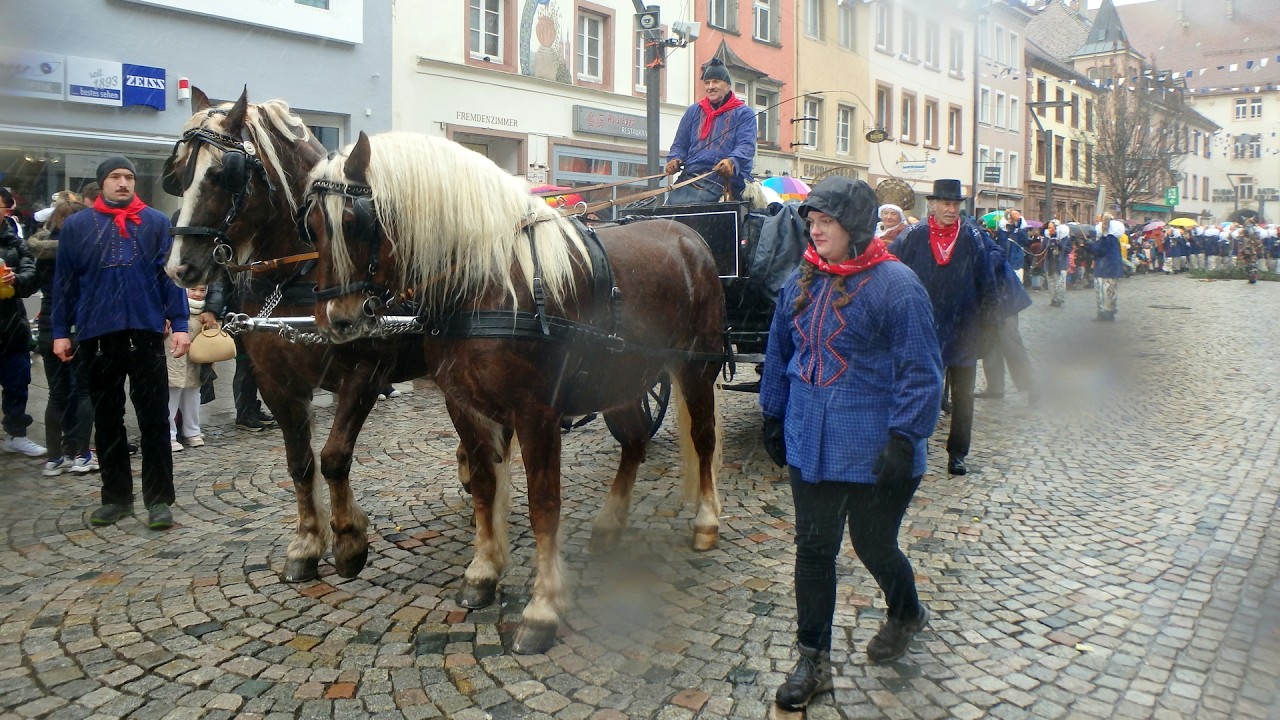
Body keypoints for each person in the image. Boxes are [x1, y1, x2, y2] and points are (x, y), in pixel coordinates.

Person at [760, 176, 943, 711]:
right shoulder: (802, 277)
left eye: (826, 222)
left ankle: (906, 611)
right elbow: (778, 349)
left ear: (856, 227)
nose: (814, 231)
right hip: (811, 445)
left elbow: (921, 370)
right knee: (813, 551)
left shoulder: (897, 286)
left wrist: (906, 439)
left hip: (877, 448)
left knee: (873, 544)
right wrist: (773, 412)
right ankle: (812, 660)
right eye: (811, 222)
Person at [52, 156, 189, 530]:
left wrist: (179, 323)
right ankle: (115, 498)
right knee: (108, 422)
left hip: (144, 335)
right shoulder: (78, 226)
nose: (124, 183)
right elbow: (65, 282)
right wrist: (60, 331)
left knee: (155, 422)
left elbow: (170, 278)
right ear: (102, 183)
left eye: (129, 176)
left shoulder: (157, 223)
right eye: (115, 177)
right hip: (99, 336)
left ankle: (159, 500)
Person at [888, 179, 997, 476]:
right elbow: (892, 269)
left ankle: (957, 453)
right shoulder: (914, 234)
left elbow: (987, 280)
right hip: (926, 327)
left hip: (965, 328)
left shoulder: (972, 235)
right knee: (924, 391)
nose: (951, 209)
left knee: (963, 397)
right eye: (946, 204)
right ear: (933, 205)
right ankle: (916, 446)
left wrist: (989, 323)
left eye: (955, 204)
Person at [29, 198, 98, 475]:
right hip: (79, 327)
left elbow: (31, 285)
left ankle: (55, 458)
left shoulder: (44, 254)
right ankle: (82, 454)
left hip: (48, 325)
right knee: (84, 392)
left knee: (57, 395)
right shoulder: (84, 251)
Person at [663, 58, 756, 206]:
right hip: (690, 177)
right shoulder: (693, 111)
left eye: (716, 81)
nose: (710, 87)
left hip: (724, 179)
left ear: (727, 85)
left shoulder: (744, 113)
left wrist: (731, 162)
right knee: (667, 213)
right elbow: (680, 144)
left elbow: (746, 147)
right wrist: (674, 159)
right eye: (707, 83)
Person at [0, 187, 46, 458]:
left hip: (11, 326)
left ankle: (16, 434)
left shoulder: (16, 243)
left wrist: (15, 279)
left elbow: (33, 275)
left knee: (17, 384)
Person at [201, 277, 276, 431]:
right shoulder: (232, 261)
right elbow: (220, 286)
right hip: (240, 315)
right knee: (246, 365)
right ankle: (244, 413)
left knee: (256, 365)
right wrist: (213, 310)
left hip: (254, 311)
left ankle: (252, 408)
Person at [976, 214, 1036, 403]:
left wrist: (978, 265)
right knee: (990, 344)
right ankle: (995, 387)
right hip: (989, 301)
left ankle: (1032, 385)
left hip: (1004, 298)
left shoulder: (978, 237)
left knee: (1011, 344)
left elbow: (998, 254)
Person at [168, 285, 208, 450]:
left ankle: (192, 430)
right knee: (172, 390)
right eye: (193, 290)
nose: (198, 294)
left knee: (193, 391)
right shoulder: (174, 304)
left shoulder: (205, 311)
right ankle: (169, 434)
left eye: (202, 290)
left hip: (194, 354)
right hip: (173, 344)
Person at [1088, 214, 1125, 321]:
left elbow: (1099, 250)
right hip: (1110, 268)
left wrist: (1090, 244)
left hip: (1104, 268)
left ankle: (1104, 312)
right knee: (1110, 291)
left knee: (1103, 291)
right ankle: (1109, 311)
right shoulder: (1112, 238)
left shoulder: (1107, 238)